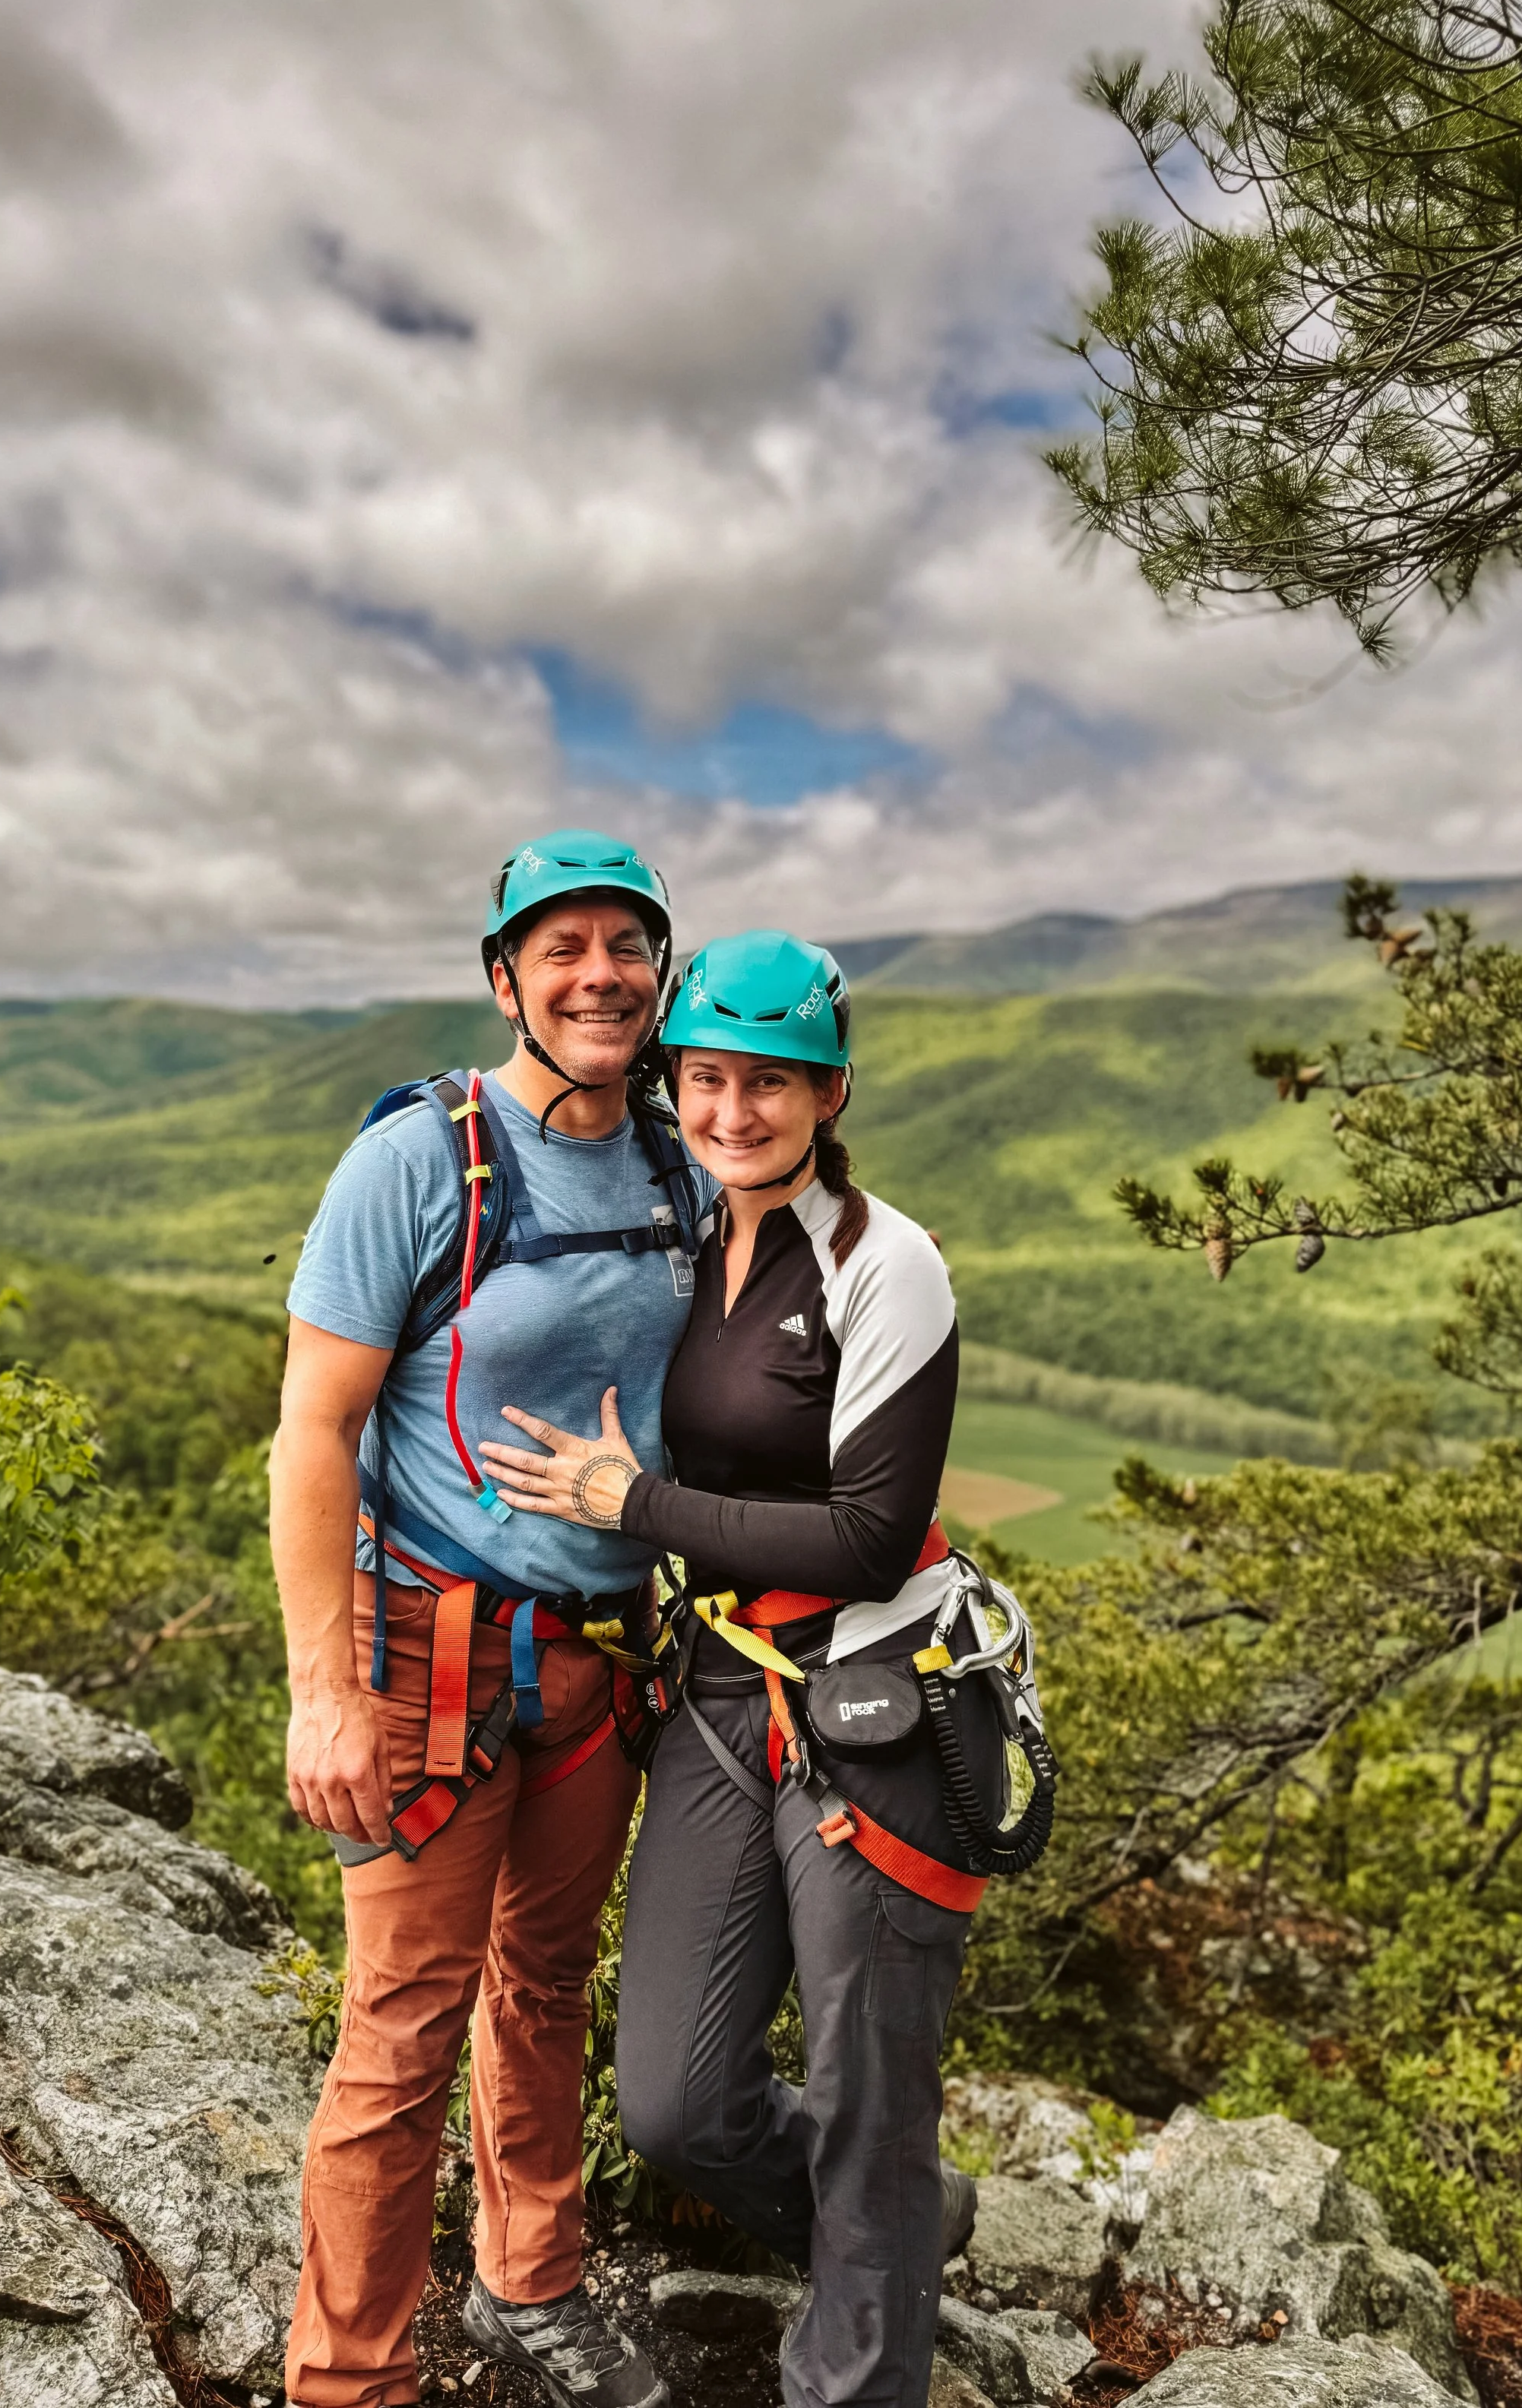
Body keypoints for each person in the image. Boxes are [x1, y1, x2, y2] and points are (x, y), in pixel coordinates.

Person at [478, 929, 993, 2408]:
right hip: (717, 1689)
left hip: (872, 1693)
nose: (731, 1109)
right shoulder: (677, 1238)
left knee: (867, 2092)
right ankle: (900, 2223)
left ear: (826, 1092)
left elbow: (869, 1532)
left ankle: (860, 2343)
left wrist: (627, 1506)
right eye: (705, 1077)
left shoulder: (883, 1265)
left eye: (769, 1081)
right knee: (676, 2100)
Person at [273, 830, 710, 2408]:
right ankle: (349, 2379)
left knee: (544, 1983)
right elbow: (312, 1430)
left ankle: (528, 2278)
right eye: (563, 945)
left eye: (626, 946)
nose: (599, 973)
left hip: (595, 1655)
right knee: (399, 2028)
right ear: (505, 976)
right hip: (426, 1658)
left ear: (658, 977)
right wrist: (323, 1690)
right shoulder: (423, 1157)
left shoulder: (675, 1161)